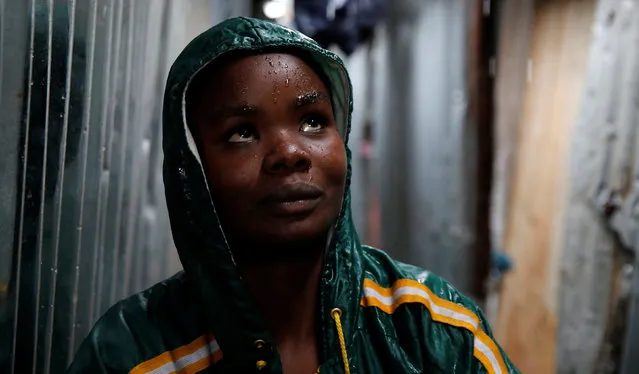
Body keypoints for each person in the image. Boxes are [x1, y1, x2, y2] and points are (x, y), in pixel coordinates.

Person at [67, 17, 519, 374]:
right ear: (194, 171)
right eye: (242, 133)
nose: (289, 152)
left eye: (312, 121)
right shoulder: (132, 354)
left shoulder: (433, 329)